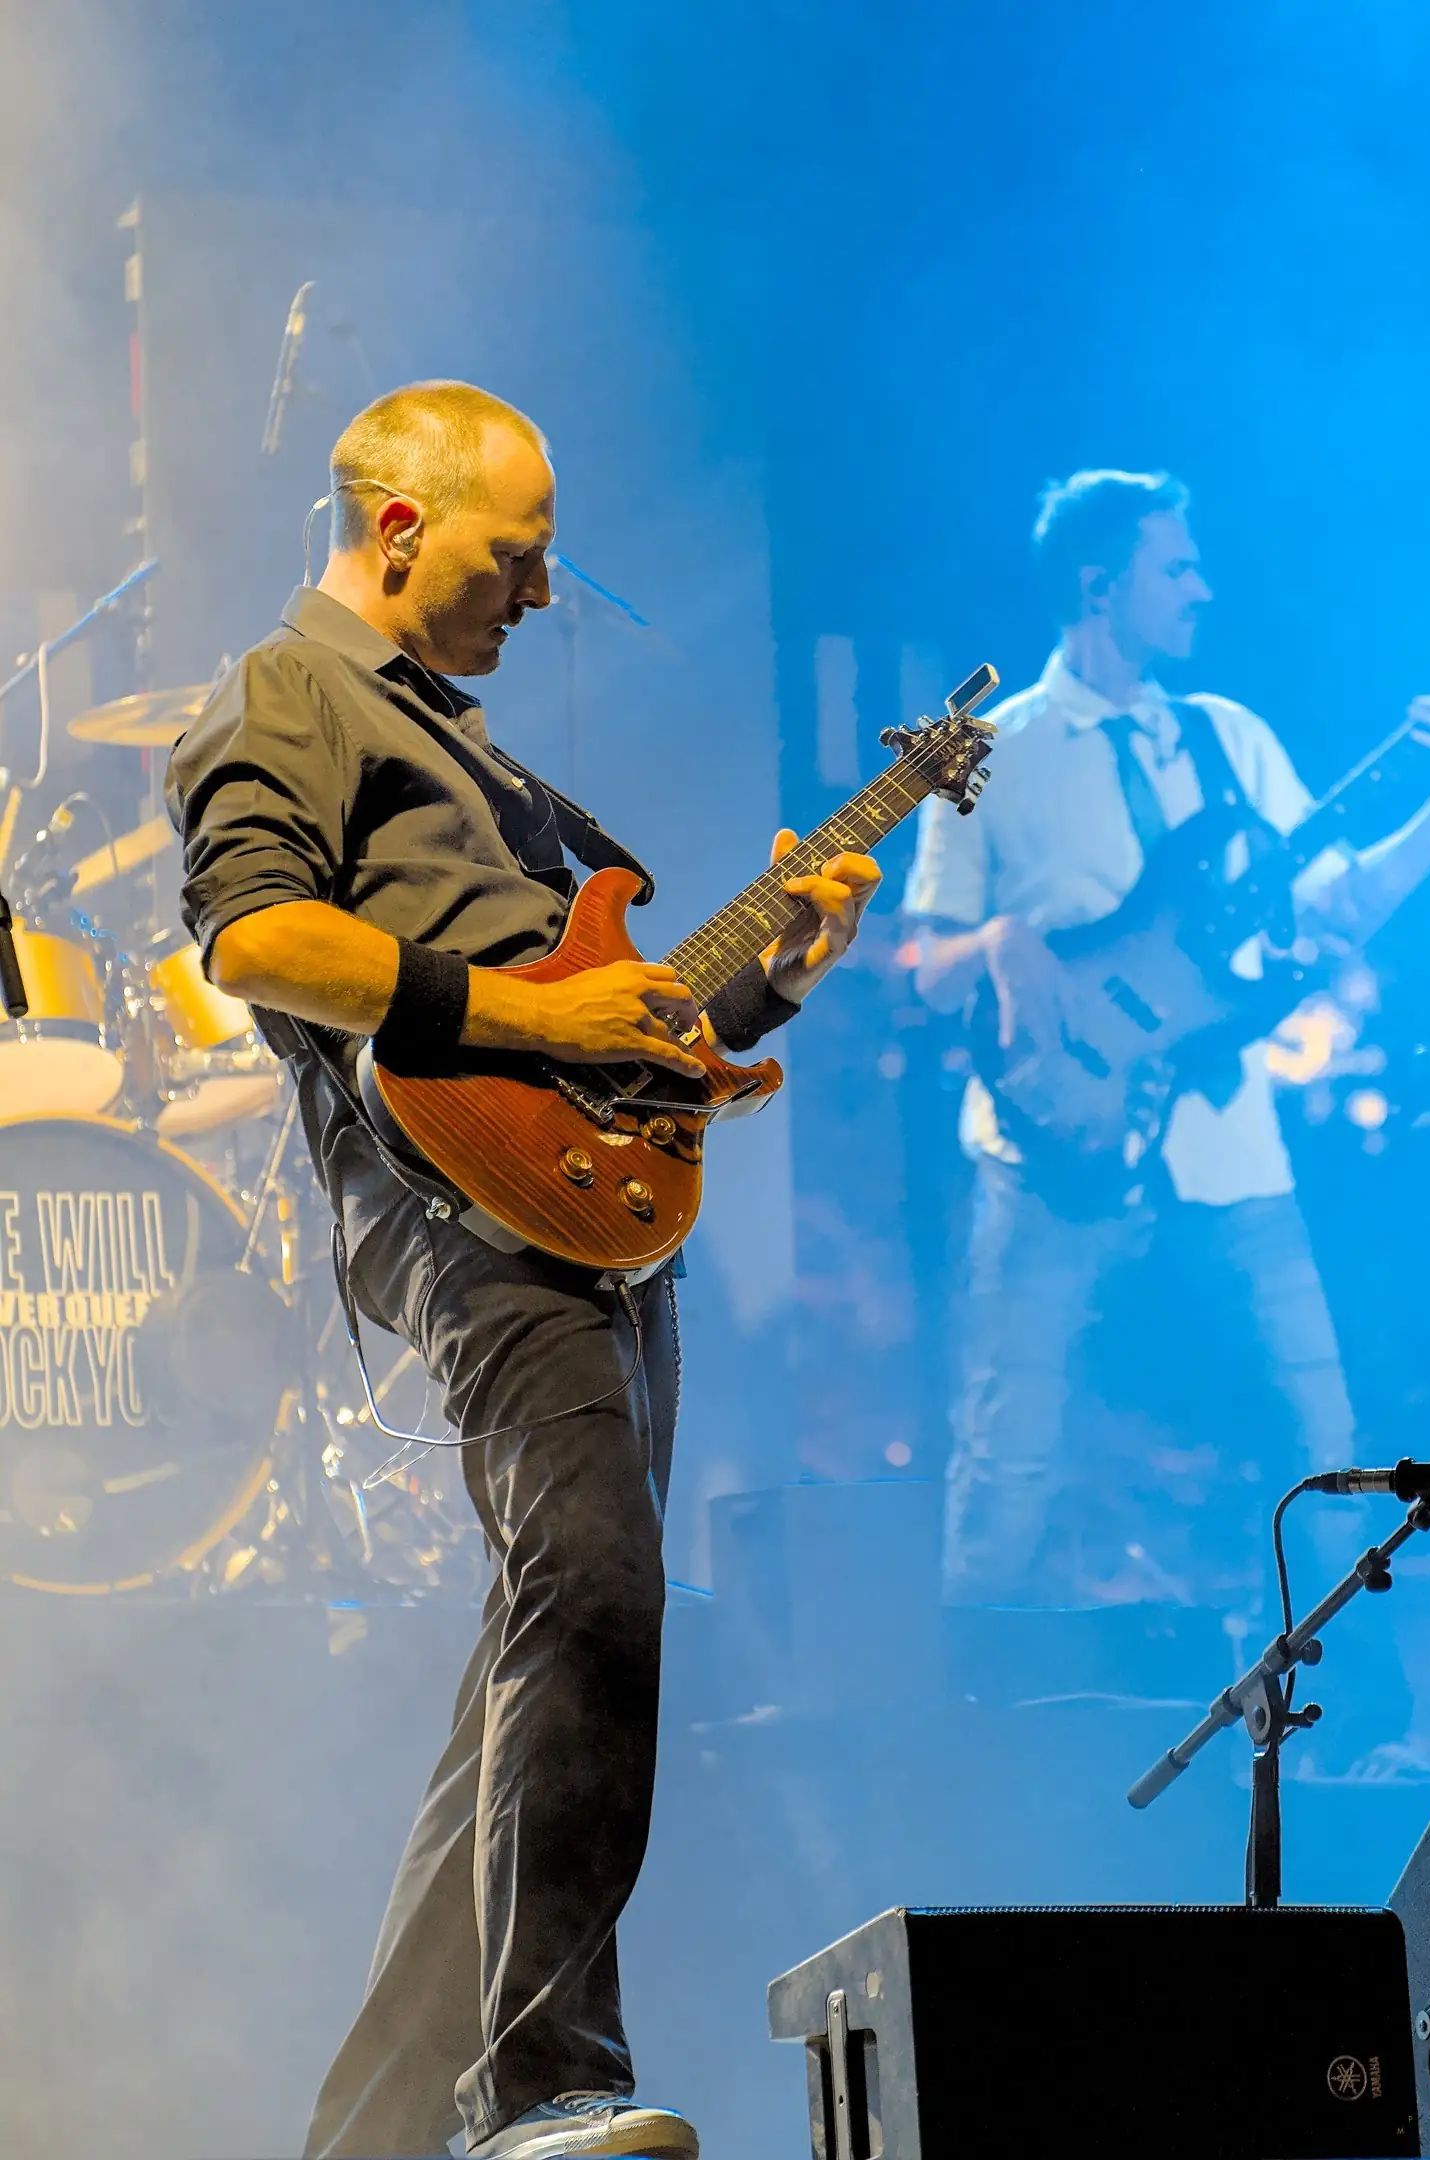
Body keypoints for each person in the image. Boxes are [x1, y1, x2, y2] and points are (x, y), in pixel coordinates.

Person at [165, 380, 881, 2160]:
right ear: (401, 529)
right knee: (597, 1589)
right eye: (520, 552)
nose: (545, 591)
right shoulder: (289, 693)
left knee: (544, 1642)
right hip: (460, 1211)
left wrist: (777, 975)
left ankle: (373, 2137)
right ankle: (547, 2087)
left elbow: (621, 1025)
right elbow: (256, 936)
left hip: (590, 1206)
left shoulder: (486, 763)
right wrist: (537, 1015)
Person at [904, 468, 1430, 1613]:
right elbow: (923, 964)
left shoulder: (1228, 737)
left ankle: (1346, 1704)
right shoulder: (992, 748)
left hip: (1228, 1148)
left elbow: (1336, 905)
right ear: (1102, 584)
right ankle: (964, 1702)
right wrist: (998, 941)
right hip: (1051, 1148)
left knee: (1321, 1452)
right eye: (1179, 567)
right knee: (1009, 1465)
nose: (1204, 590)